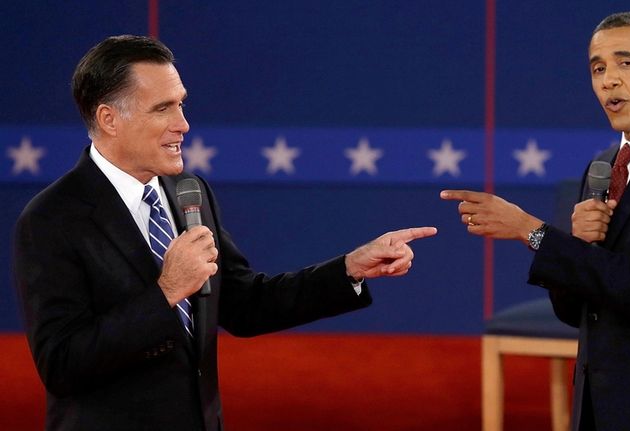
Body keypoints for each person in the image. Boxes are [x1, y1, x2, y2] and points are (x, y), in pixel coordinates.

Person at [13, 35, 437, 431]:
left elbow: (245, 303)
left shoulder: (188, 193)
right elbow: (62, 365)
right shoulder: (52, 219)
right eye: (163, 108)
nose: (183, 124)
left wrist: (349, 269)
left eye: (181, 104)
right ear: (109, 119)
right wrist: (166, 292)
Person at [442, 11, 630, 431]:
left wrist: (532, 231)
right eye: (598, 68)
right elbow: (577, 311)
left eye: (626, 62)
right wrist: (578, 244)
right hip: (601, 404)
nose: (608, 80)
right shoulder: (602, 168)